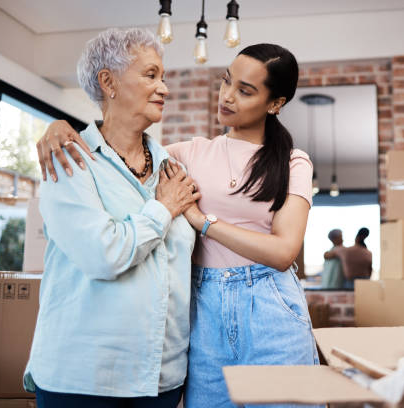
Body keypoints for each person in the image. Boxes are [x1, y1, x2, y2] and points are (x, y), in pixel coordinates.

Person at [36, 43, 319, 408]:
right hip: (203, 310)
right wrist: (58, 127)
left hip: (270, 306)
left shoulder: (294, 162)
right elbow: (119, 145)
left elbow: (283, 252)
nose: (228, 97)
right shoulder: (185, 155)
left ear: (275, 103)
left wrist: (204, 223)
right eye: (226, 82)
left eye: (245, 91)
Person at [24, 28, 201, 408]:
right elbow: (103, 254)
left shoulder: (174, 168)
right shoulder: (70, 159)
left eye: (164, 77)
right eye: (151, 75)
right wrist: (163, 209)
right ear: (109, 82)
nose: (164, 88)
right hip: (85, 378)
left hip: (161, 377)